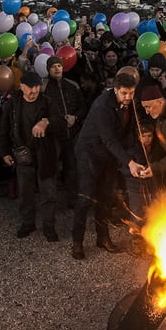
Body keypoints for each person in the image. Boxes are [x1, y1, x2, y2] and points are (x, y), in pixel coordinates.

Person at [71, 68, 142, 260]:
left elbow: (129, 132)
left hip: (109, 156)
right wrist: (129, 162)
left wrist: (136, 154)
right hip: (90, 152)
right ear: (115, 89)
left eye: (131, 93)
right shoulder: (102, 105)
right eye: (124, 93)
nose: (128, 97)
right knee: (85, 198)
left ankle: (103, 238)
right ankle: (77, 242)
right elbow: (109, 139)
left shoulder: (130, 104)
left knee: (106, 197)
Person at [0, 71, 66, 240]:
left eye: (37, 86)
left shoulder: (48, 102)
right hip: (23, 155)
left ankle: (49, 226)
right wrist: (5, 152)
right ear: (21, 86)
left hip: (46, 154)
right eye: (30, 87)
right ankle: (28, 223)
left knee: (48, 192)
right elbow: (4, 130)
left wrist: (46, 122)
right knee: (25, 192)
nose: (34, 91)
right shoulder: (12, 104)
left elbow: (61, 122)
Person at [42, 56, 85, 207]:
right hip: (53, 135)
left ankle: (72, 199)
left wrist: (76, 117)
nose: (56, 68)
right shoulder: (44, 87)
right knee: (52, 168)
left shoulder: (72, 85)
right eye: (53, 66)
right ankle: (51, 202)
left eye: (59, 65)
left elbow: (83, 106)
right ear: (48, 69)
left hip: (72, 134)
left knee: (72, 167)